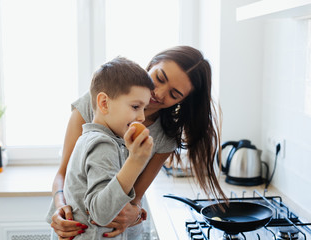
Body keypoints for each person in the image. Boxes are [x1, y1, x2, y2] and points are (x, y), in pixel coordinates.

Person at [47, 46, 226, 239]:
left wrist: (133, 213)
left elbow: (135, 196)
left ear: (182, 101)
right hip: (75, 226)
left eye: (174, 95)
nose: (158, 93)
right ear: (152, 64)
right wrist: (61, 205)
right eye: (159, 78)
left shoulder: (165, 136)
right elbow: (64, 173)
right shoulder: (101, 100)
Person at [50, 57, 154, 239]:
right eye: (136, 106)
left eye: (144, 108)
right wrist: (135, 161)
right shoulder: (102, 144)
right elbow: (102, 214)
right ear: (104, 103)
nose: (142, 117)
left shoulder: (94, 138)